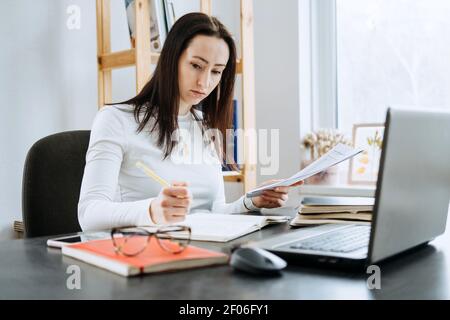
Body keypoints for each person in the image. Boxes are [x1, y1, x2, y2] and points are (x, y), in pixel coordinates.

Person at [78, 12, 302, 231]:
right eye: (196, 65)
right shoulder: (116, 120)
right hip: (141, 252)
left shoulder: (204, 126)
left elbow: (211, 212)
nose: (204, 82)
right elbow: (89, 214)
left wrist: (251, 201)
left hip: (200, 250)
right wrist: (151, 211)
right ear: (172, 59)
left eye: (216, 72)